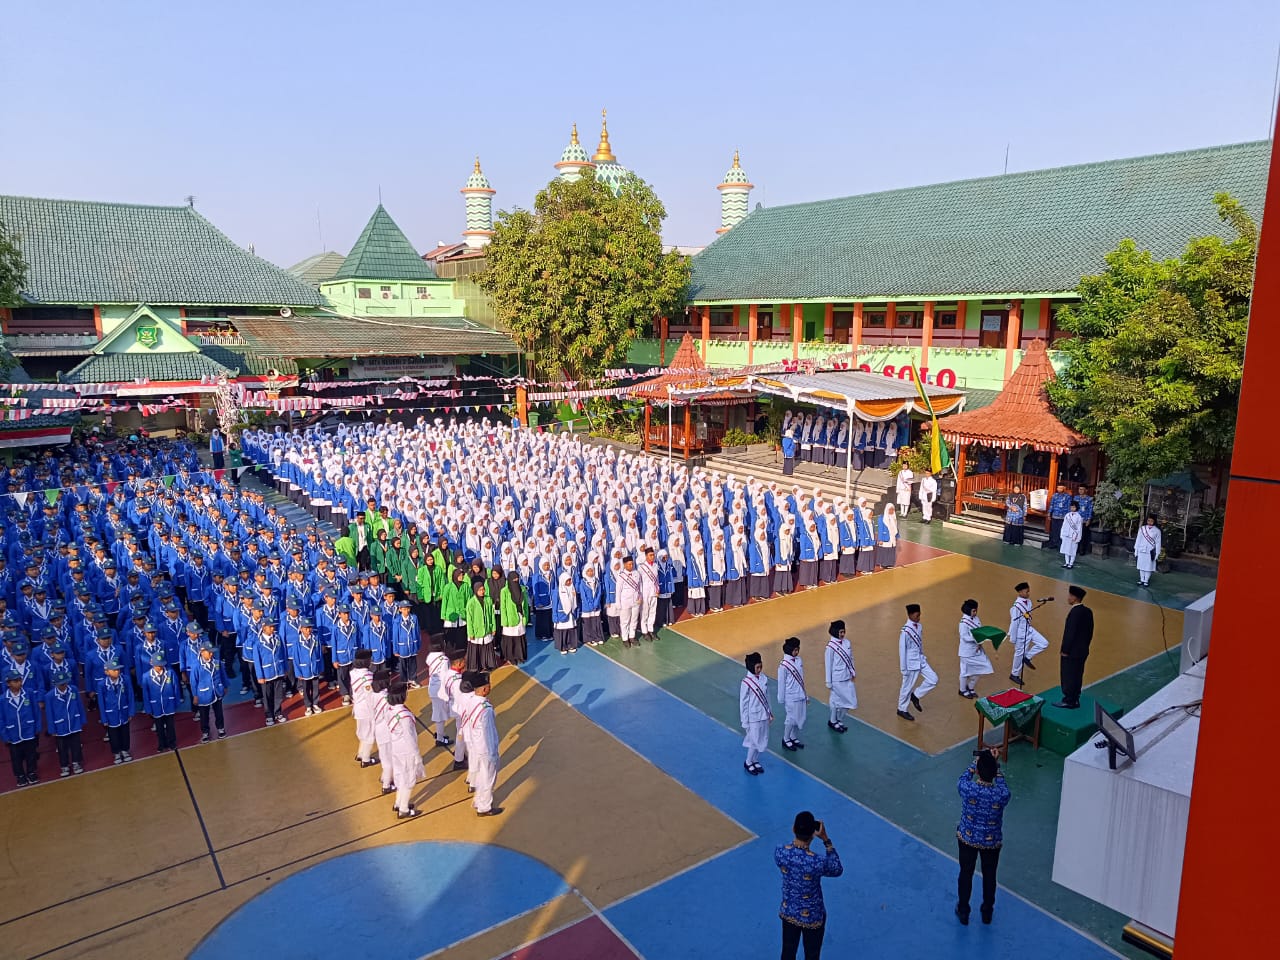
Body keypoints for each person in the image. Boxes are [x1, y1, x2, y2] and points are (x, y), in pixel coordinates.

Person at [775, 810, 843, 960]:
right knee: (812, 955)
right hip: (812, 914)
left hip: (789, 911)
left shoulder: (780, 852)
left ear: (793, 829)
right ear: (813, 833)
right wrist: (826, 840)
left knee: (788, 951)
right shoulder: (817, 862)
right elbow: (837, 869)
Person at [955, 747, 1011, 926]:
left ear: (978, 771)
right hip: (991, 842)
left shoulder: (968, 789)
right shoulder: (1001, 795)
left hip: (967, 840)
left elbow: (962, 779)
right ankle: (987, 911)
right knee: (989, 875)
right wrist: (996, 765)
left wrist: (975, 763)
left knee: (966, 873)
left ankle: (963, 910)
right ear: (994, 774)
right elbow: (1002, 785)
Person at [460, 671, 502, 816]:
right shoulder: (486, 710)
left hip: (476, 744)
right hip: (486, 748)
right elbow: (488, 733)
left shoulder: (472, 701)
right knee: (488, 778)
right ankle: (484, 807)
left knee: (482, 776)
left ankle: (479, 800)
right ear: (484, 689)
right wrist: (493, 753)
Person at [386, 680, 424, 819]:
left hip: (396, 748)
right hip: (406, 750)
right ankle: (403, 809)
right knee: (408, 779)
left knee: (400, 776)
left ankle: (398, 802)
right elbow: (409, 738)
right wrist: (417, 755)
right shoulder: (405, 716)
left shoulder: (390, 710)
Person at [1055, 585, 1094, 709]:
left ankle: (1069, 700)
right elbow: (1090, 632)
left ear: (1074, 597)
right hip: (1082, 651)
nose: (1068, 598)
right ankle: (1075, 698)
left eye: (1069, 595)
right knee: (1078, 674)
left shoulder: (1074, 612)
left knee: (1068, 675)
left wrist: (1065, 650)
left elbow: (1069, 633)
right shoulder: (1088, 611)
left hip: (1071, 652)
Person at [897, 603, 936, 721]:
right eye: (917, 615)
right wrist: (903, 668)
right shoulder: (905, 631)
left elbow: (920, 643)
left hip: (920, 659)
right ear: (910, 615)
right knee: (906, 687)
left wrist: (922, 654)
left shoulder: (919, 626)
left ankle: (916, 696)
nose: (919, 617)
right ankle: (901, 709)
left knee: (933, 679)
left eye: (920, 615)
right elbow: (902, 650)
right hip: (910, 663)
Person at [2, 669, 41, 785]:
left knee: (31, 753)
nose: (18, 683)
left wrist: (37, 727)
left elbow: (36, 711)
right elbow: (1, 719)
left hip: (29, 730)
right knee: (16, 756)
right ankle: (20, 775)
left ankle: (31, 772)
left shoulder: (29, 693)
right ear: (8, 683)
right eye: (14, 681)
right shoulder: (2, 700)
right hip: (13, 733)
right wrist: (4, 735)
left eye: (19, 680)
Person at [45, 667, 85, 776]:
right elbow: (49, 713)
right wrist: (51, 729)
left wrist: (82, 719)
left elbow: (79, 705)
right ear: (55, 684)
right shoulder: (49, 696)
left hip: (74, 722)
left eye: (65, 683)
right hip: (60, 725)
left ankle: (77, 762)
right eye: (61, 684)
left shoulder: (74, 690)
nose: (64, 686)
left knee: (76, 744)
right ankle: (64, 765)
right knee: (62, 747)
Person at [1008, 582, 1048, 688]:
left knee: (1044, 643)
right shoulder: (1016, 607)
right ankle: (1014, 674)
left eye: (1028, 590)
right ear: (1020, 592)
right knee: (1019, 654)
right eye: (1026, 591)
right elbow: (1014, 622)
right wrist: (1013, 638)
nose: (1028, 593)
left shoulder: (1028, 601)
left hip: (1029, 629)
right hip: (1021, 634)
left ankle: (1028, 657)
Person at [739, 652, 771, 775]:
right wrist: (745, 721)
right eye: (757, 667)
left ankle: (755, 760)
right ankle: (748, 762)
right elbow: (743, 703)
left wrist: (769, 712)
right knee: (754, 740)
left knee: (762, 738)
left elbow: (767, 697)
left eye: (760, 666)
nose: (759, 669)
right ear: (751, 667)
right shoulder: (746, 682)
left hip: (763, 714)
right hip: (753, 716)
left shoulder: (763, 678)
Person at [97, 659, 134, 764]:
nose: (117, 672)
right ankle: (116, 753)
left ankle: (125, 750)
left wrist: (131, 712)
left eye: (118, 669)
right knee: (113, 735)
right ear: (107, 672)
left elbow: (130, 695)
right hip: (111, 714)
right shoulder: (102, 685)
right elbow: (101, 702)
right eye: (114, 670)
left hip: (124, 711)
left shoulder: (125, 680)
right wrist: (104, 718)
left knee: (125, 733)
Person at [189, 641, 228, 742]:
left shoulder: (216, 662)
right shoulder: (196, 666)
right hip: (203, 694)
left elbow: (222, 674)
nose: (211, 654)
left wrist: (225, 686)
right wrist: (195, 695)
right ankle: (205, 732)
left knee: (219, 712)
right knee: (204, 715)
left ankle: (221, 729)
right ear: (202, 652)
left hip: (217, 691)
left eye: (212, 652)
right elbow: (193, 682)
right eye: (209, 652)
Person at [823, 620, 856, 734]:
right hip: (836, 678)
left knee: (848, 701)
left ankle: (837, 720)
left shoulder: (847, 643)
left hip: (847, 676)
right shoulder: (830, 647)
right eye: (841, 632)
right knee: (839, 701)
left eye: (844, 631)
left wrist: (853, 671)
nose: (843, 634)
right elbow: (828, 664)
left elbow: (851, 658)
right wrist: (828, 681)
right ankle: (834, 721)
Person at [141, 651, 179, 752]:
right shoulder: (146, 676)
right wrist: (148, 708)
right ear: (152, 664)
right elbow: (146, 694)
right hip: (156, 705)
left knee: (170, 726)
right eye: (157, 665)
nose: (159, 667)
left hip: (169, 704)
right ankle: (162, 744)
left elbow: (176, 688)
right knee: (159, 727)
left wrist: (176, 702)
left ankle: (172, 743)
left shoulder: (170, 672)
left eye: (161, 665)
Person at [957, 599, 994, 699]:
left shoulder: (976, 619)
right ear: (968, 610)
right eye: (974, 611)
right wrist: (977, 639)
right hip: (966, 651)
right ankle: (962, 690)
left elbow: (980, 630)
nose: (975, 613)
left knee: (981, 668)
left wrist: (981, 639)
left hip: (977, 650)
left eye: (976, 610)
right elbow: (964, 637)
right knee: (964, 672)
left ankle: (971, 687)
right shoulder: (963, 623)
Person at [778, 637, 807, 751]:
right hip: (790, 696)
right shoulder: (783, 665)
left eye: (798, 649)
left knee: (798, 717)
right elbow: (781, 683)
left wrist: (805, 694)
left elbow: (801, 679)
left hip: (799, 694)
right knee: (791, 718)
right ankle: (785, 739)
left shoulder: (799, 660)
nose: (797, 652)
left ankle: (793, 737)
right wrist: (781, 698)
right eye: (795, 650)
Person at [351, 649, 377, 766]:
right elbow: (370, 694)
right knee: (369, 733)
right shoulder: (367, 676)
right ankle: (365, 759)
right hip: (366, 708)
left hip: (358, 707)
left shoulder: (354, 672)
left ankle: (360, 753)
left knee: (362, 732)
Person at [1135, 515, 1162, 588]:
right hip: (1141, 550)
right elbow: (1138, 539)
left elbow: (1158, 542)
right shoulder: (1142, 529)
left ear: (1154, 521)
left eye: (1151, 521)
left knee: (1148, 567)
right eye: (1148, 520)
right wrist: (1136, 549)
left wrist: (1157, 553)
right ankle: (1141, 579)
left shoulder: (1157, 531)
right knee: (1141, 566)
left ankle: (1146, 580)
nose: (1150, 522)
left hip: (1150, 552)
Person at [1060, 501, 1083, 569]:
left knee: (1072, 550)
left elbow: (1079, 528)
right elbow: (1064, 525)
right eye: (1071, 507)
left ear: (1076, 507)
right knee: (1066, 549)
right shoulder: (1067, 515)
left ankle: (1071, 563)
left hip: (1074, 535)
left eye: (1074, 507)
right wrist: (1062, 533)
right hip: (1066, 534)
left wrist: (1078, 537)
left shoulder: (1078, 517)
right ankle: (1066, 562)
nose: (1072, 508)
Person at [1047, 484, 1070, 548]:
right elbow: (1052, 505)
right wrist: (1049, 513)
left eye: (1061, 488)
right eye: (1058, 488)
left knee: (1061, 530)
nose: (1059, 489)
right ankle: (1053, 543)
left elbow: (1068, 507)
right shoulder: (1054, 496)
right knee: (1054, 530)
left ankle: (1060, 545)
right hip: (1055, 515)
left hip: (1063, 516)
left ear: (1064, 488)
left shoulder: (1067, 497)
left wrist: (1068, 516)